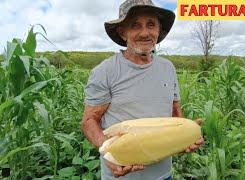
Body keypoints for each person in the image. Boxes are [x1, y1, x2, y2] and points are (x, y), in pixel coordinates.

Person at [81, 0, 204, 179]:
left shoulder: (168, 68)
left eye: (151, 25)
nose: (145, 32)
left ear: (158, 30)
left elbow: (175, 112)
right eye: (135, 25)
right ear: (122, 33)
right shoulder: (104, 71)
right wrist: (109, 154)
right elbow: (89, 121)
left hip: (163, 175)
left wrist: (186, 137)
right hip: (121, 175)